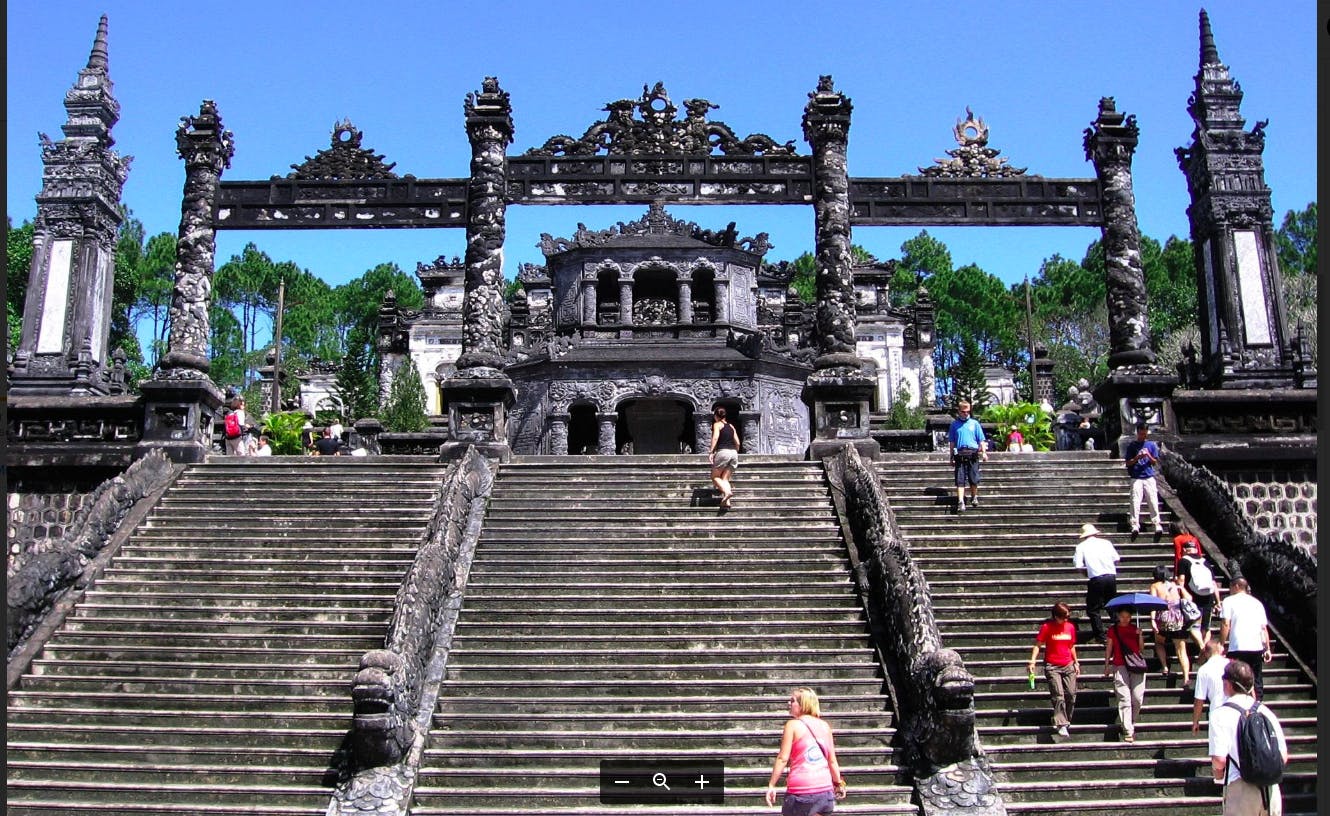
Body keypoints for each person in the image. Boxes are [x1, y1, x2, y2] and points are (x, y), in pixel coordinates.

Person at [1208, 660, 1287, 815]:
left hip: (1241, 789)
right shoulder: (1266, 711)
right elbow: (1283, 756)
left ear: (1227, 684)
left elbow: (1219, 760)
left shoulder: (1219, 714)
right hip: (1271, 791)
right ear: (1251, 685)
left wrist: (1218, 777)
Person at [765, 687, 847, 816]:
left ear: (802, 704)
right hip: (824, 792)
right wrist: (839, 783)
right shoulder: (825, 726)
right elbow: (832, 760)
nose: (789, 703)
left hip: (801, 792)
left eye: (792, 701)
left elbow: (783, 758)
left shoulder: (792, 725)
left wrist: (771, 785)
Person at [1027, 601, 1079, 737]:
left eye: (1068, 616)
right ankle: (1061, 723)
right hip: (1052, 665)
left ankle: (1064, 719)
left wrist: (1076, 662)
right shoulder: (1047, 627)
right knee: (1058, 694)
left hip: (1068, 664)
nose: (1066, 619)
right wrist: (1033, 661)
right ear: (1056, 616)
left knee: (1071, 694)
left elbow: (1071, 645)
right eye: (1064, 616)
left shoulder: (1070, 627)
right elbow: (1038, 645)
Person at [1220, 578, 1272, 702]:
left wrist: (1221, 643)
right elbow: (1263, 628)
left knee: (1236, 676)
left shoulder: (1228, 601)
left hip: (1238, 646)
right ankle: (1257, 703)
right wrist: (1267, 648)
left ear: (1237, 586)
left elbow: (1225, 623)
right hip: (1256, 646)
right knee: (1256, 677)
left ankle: (1239, 702)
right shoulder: (1257, 603)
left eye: (1230, 587)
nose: (1229, 590)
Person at [1148, 564, 1198, 685]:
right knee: (1181, 650)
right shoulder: (1175, 585)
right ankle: (1186, 677)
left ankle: (1165, 666)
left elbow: (1153, 603)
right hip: (1178, 619)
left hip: (1164, 618)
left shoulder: (1155, 586)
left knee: (1159, 642)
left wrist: (1153, 620)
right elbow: (1189, 598)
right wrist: (1181, 588)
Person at [1103, 605, 1146, 743]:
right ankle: (1128, 729)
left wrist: (1140, 636)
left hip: (1136, 665)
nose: (1125, 619)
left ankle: (1130, 722)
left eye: (1128, 616)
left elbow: (1141, 649)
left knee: (1137, 698)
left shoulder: (1135, 629)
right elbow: (1109, 647)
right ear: (1118, 616)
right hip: (1119, 664)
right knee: (1124, 698)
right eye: (1122, 616)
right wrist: (1107, 664)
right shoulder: (1113, 629)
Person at [1072, 523, 1119, 644]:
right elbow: (1116, 559)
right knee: (1112, 604)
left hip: (1096, 578)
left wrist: (1087, 574)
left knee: (1093, 609)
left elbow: (1078, 565)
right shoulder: (1106, 543)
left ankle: (1100, 635)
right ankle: (1119, 628)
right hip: (1111, 577)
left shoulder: (1081, 547)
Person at [1178, 534, 1222, 644]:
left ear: (1184, 550)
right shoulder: (1204, 561)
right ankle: (1205, 648)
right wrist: (1218, 601)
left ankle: (1202, 648)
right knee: (1206, 627)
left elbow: (1181, 580)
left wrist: (1180, 595)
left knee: (1193, 624)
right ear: (1195, 549)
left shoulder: (1184, 560)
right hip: (1208, 596)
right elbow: (1213, 583)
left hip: (1193, 596)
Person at [947, 400, 987, 513]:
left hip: (972, 453)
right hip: (960, 453)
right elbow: (952, 442)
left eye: (968, 412)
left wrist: (984, 452)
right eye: (963, 412)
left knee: (973, 478)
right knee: (960, 479)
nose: (966, 414)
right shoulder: (954, 425)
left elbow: (981, 439)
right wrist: (951, 457)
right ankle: (960, 501)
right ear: (959, 411)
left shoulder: (975, 424)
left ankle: (974, 496)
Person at [1123, 421, 1163, 535]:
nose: (1143, 436)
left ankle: (1156, 523)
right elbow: (1128, 463)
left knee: (1153, 500)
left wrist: (1148, 455)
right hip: (1136, 477)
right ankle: (1135, 524)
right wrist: (1137, 457)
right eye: (1141, 434)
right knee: (1135, 501)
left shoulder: (1151, 445)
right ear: (1137, 433)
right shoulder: (1132, 446)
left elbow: (1154, 461)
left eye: (1145, 434)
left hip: (1148, 476)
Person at [1192, 640, 1231, 734]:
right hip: (1234, 709)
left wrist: (1195, 721)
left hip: (1217, 711)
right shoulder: (1231, 663)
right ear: (1218, 650)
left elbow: (1199, 699)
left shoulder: (1203, 670)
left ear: (1206, 653)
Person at [708, 406, 740, 509]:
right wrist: (735, 451)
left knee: (715, 477)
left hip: (723, 452)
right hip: (733, 453)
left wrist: (711, 452)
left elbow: (715, 437)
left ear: (716, 416)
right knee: (725, 479)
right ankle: (727, 502)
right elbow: (738, 442)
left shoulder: (717, 425)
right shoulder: (731, 426)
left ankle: (727, 492)